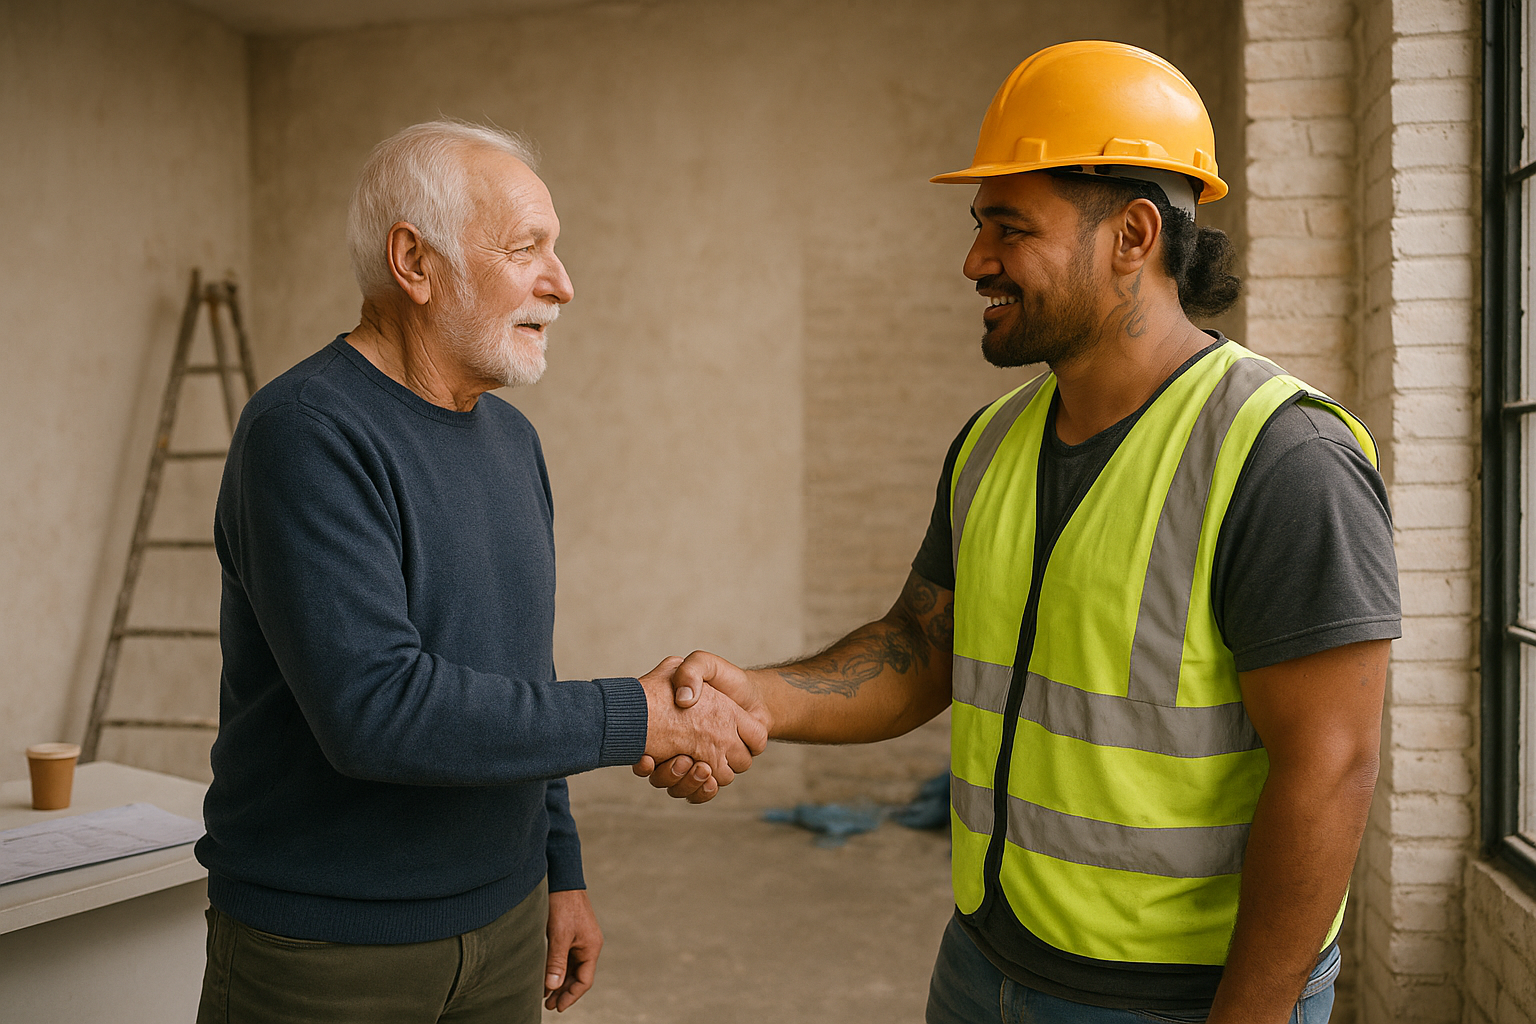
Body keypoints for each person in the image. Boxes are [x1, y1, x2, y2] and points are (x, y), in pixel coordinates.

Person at [639, 40, 1400, 1023]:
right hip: (985, 963)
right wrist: (754, 696)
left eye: (1009, 228)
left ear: (1133, 235)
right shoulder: (992, 443)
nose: (974, 261)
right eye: (978, 226)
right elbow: (923, 645)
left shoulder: (1282, 461)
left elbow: (1330, 767)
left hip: (1178, 999)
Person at [195, 120, 765, 1024]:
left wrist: (559, 870)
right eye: (526, 248)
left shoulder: (513, 439)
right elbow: (378, 713)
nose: (563, 283)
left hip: (504, 924)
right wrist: (643, 716)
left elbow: (517, 679)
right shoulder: (305, 434)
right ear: (414, 263)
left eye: (557, 249)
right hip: (331, 952)